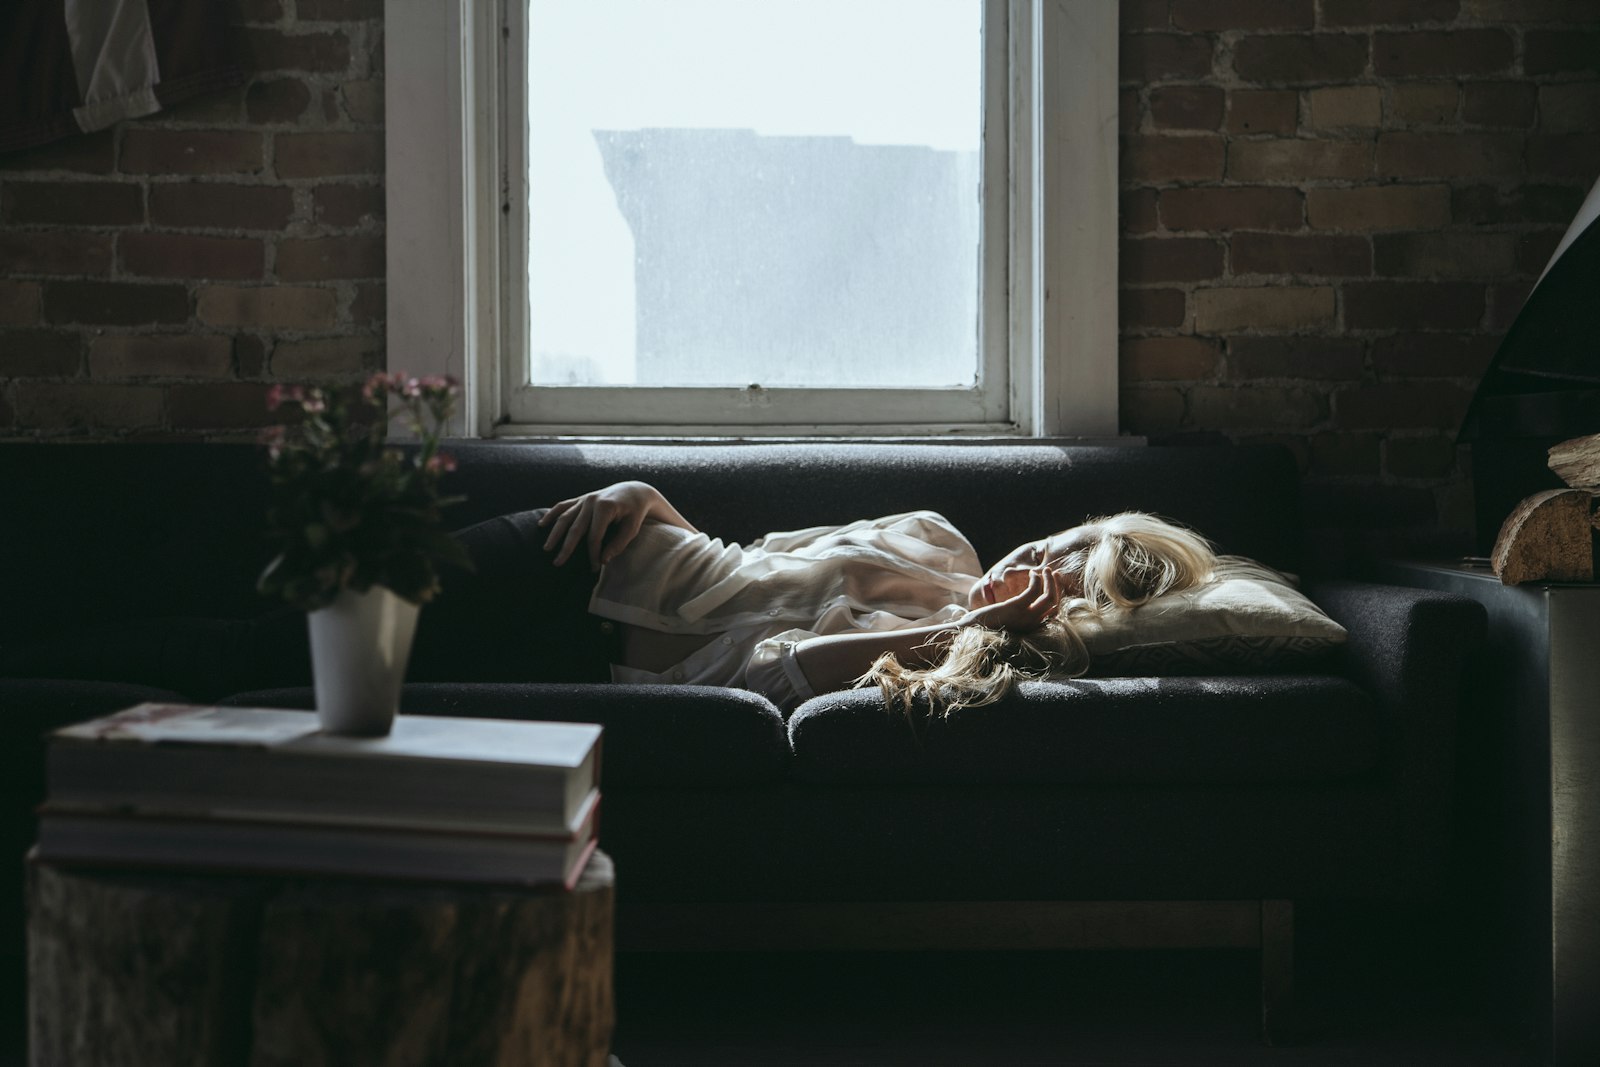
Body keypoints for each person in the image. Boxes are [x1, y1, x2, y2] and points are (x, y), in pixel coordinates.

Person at [533, 480, 1217, 716]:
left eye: (1041, 588)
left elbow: (776, 670)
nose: (1015, 572)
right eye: (1035, 551)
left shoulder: (963, 661)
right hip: (590, 552)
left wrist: (979, 626)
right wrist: (645, 499)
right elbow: (756, 556)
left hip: (581, 671)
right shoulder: (934, 535)